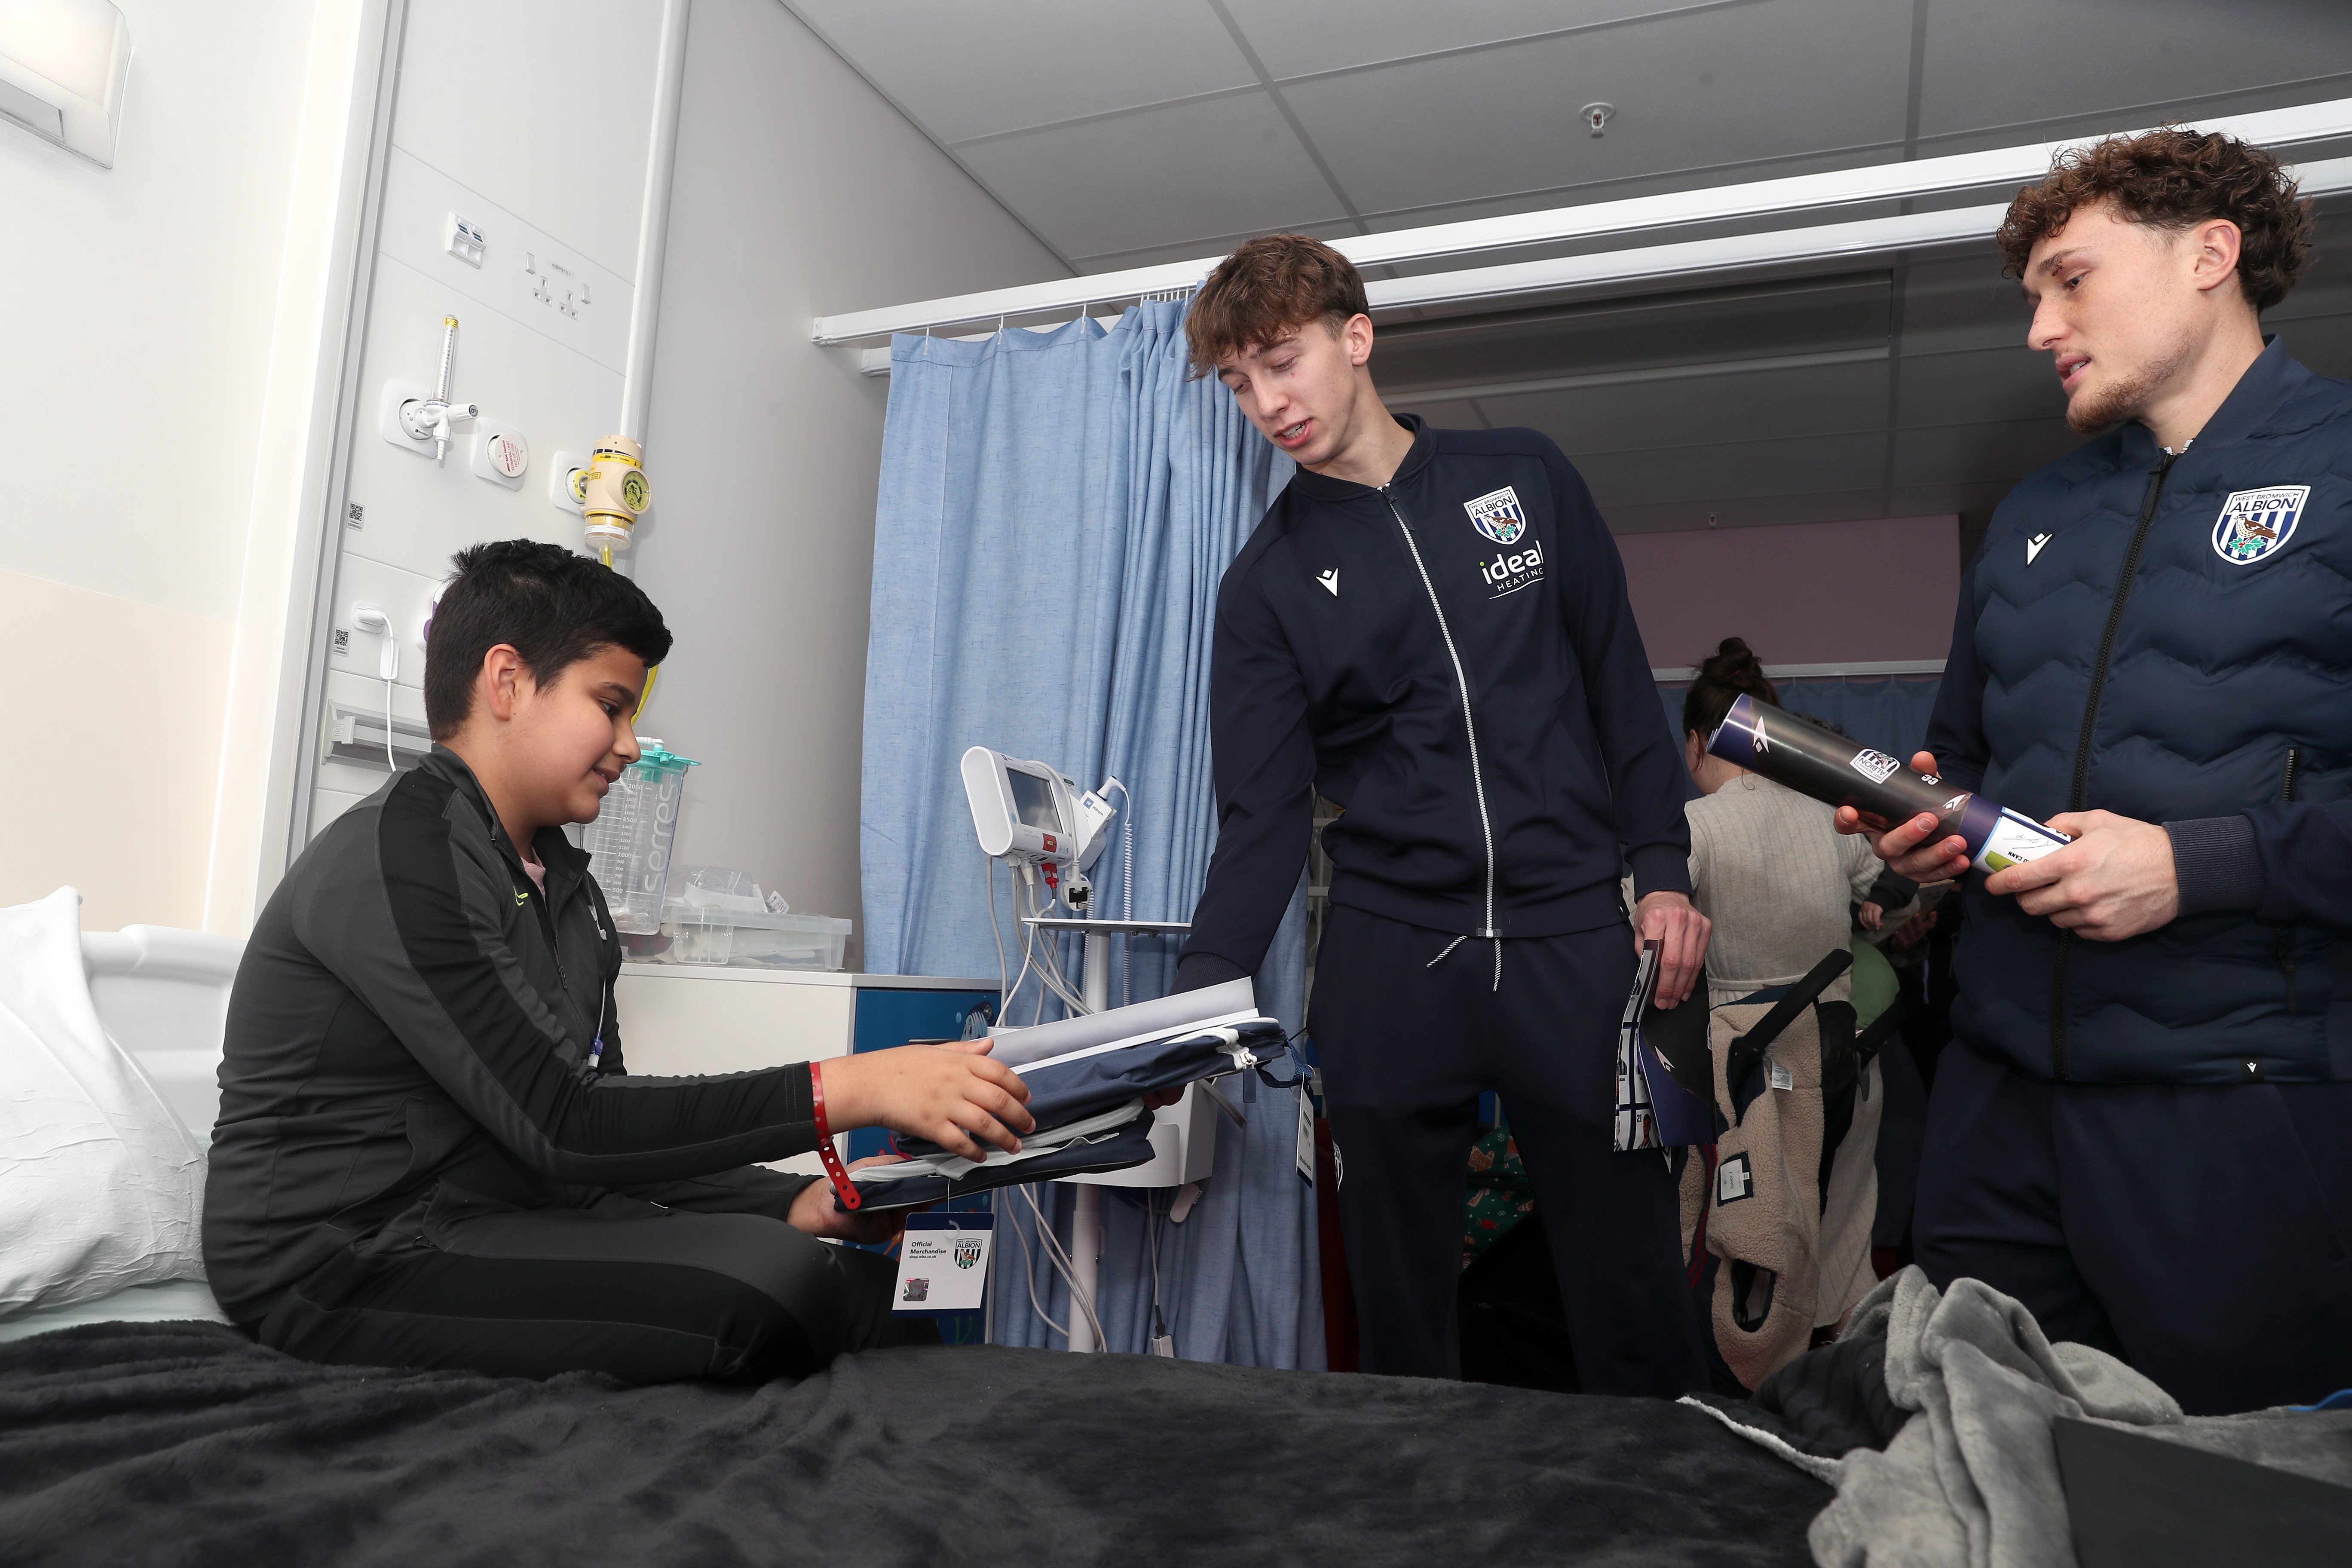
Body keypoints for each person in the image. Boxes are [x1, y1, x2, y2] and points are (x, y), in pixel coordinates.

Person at [203, 541, 1035, 1383]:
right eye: (611, 705)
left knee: (867, 1287)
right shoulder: (403, 855)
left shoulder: (566, 886)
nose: (631, 745)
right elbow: (568, 1125)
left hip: (496, 1214)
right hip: (337, 1257)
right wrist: (856, 1087)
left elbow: (613, 1139)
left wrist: (791, 1200)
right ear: (507, 682)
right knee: (777, 1285)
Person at [1843, 129, 2352, 1415]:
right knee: (1968, 1455)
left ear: (2209, 256)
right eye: (2032, 296)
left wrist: (2200, 861)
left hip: (2239, 1107)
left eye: (2071, 278)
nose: (2039, 327)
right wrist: (1932, 830)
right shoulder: (2031, 515)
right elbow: (1963, 756)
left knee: (2228, 1501)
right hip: (1998, 1101)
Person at [1171, 234, 1710, 1390]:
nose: (1267, 402)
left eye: (1281, 362)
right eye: (1238, 382)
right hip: (1393, 944)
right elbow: (1260, 815)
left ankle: (1670, 1491)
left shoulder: (1523, 478)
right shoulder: (1265, 586)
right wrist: (1196, 997)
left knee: (1625, 1270)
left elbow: (1618, 685)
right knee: (1403, 1290)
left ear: (1354, 338)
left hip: (1570, 927)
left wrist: (1660, 869)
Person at [1678, 640, 1899, 1009]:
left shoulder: (1694, 822)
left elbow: (1640, 919)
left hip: (1740, 1036)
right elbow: (1893, 905)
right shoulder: (1832, 815)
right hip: (1834, 1026)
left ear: (1696, 742)